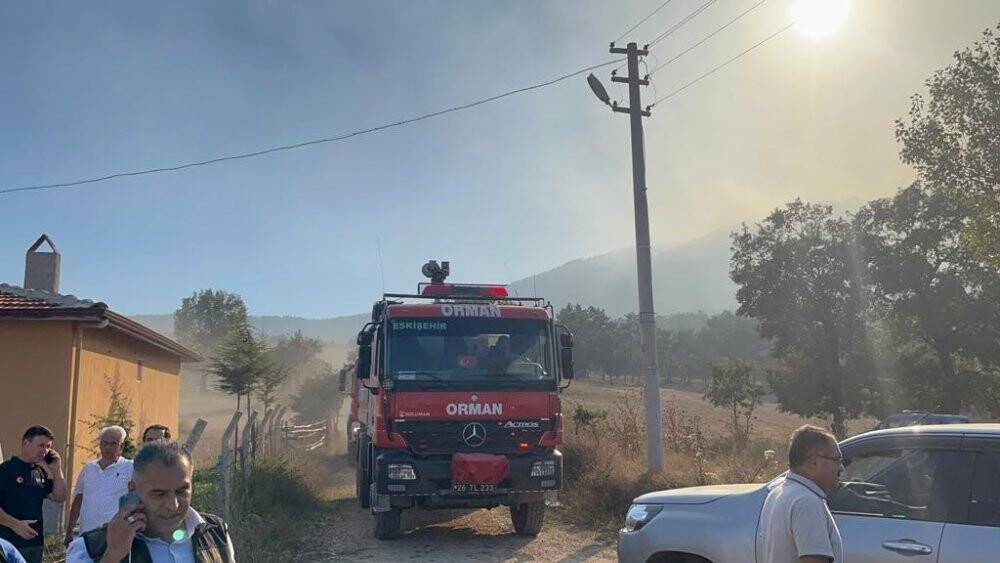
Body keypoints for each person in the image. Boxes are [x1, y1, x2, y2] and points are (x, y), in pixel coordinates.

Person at [66, 440, 234, 563]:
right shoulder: (90, 547)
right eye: (159, 494)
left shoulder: (216, 532)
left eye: (181, 491)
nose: (173, 505)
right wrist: (113, 555)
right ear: (133, 490)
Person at [757, 425, 844, 563]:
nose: (841, 467)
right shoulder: (806, 502)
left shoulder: (778, 493)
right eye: (837, 460)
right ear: (814, 461)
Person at [0, 425, 68, 563]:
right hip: (9, 544)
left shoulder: (39, 472)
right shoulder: (6, 470)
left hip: (35, 544)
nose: (45, 451)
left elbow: (59, 497)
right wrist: (15, 525)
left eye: (48, 447)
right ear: (26, 442)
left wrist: (56, 470)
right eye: (41, 445)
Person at [64, 427, 133, 546]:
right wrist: (69, 532)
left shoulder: (130, 468)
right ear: (100, 445)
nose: (108, 447)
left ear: (121, 447)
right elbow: (78, 501)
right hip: (87, 537)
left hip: (116, 538)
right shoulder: (88, 468)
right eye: (105, 443)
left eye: (113, 444)